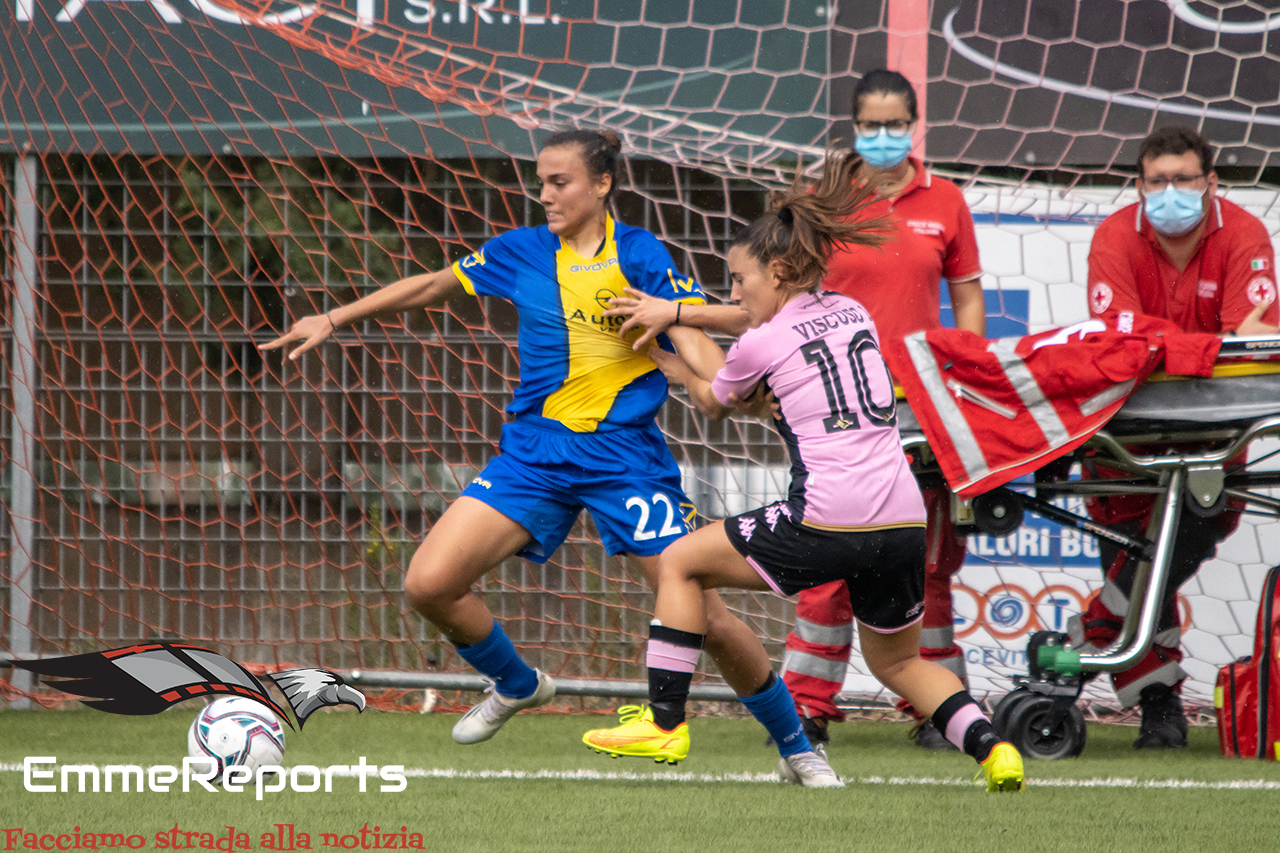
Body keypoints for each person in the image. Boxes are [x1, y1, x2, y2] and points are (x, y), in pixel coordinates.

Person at [261, 129, 789, 750]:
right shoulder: (520, 251)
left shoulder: (639, 254)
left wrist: (726, 385)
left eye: (559, 182)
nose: (544, 194)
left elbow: (689, 329)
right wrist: (332, 317)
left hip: (624, 461)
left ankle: (798, 743)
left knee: (712, 619)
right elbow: (432, 285)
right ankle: (517, 683)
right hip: (533, 457)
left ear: (601, 184)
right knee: (429, 584)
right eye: (540, 182)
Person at [581, 151, 1024, 792]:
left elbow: (716, 401)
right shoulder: (852, 310)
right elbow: (779, 346)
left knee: (679, 561)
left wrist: (667, 350)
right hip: (901, 516)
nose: (733, 293)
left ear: (780, 269)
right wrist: (686, 321)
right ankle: (994, 751)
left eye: (738, 279)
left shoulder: (760, 342)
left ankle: (664, 722)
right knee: (901, 663)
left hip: (828, 513)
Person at [1075, 124, 1279, 748]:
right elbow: (1123, 341)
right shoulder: (1114, 237)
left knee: (1186, 530)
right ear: (1138, 186)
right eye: (1156, 181)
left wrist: (1182, 349)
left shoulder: (1245, 234)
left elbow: (1253, 341)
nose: (1170, 192)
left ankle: (1098, 627)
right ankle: (1159, 704)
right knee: (1136, 546)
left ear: (1210, 182)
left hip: (1218, 430)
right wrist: (1203, 348)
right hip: (1128, 433)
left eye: (1183, 180)